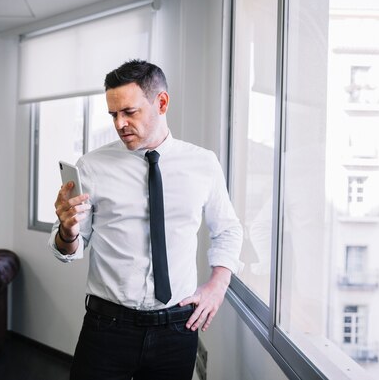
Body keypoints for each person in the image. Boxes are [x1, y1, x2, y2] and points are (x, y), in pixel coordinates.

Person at [49, 59, 243, 380]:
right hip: (107, 329)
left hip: (177, 329)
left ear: (161, 103)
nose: (119, 123)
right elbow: (70, 249)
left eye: (129, 112)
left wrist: (217, 286)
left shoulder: (203, 164)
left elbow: (228, 230)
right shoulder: (92, 166)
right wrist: (67, 231)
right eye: (113, 114)